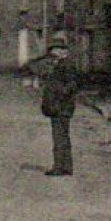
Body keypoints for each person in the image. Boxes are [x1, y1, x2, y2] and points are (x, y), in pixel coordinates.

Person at [38, 37, 79, 177]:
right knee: (63, 137)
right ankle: (66, 167)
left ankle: (59, 167)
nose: (52, 52)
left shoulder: (66, 65)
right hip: (63, 106)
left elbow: (71, 86)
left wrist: (57, 96)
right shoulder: (62, 64)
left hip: (61, 107)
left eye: (55, 49)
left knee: (59, 137)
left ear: (63, 51)